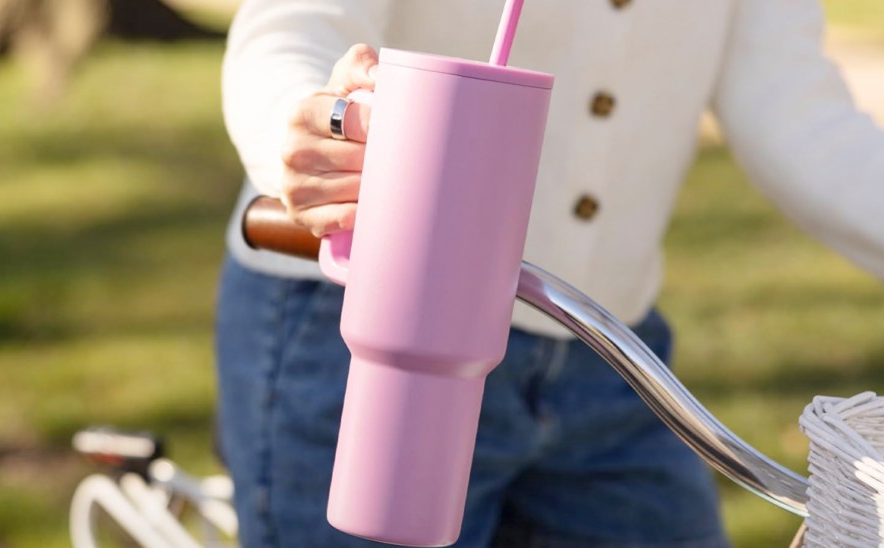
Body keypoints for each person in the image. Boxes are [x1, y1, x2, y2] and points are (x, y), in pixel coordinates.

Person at [215, 1, 884, 546]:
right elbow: (292, 28)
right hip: (364, 330)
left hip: (610, 354)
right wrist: (307, 132)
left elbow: (794, 108)